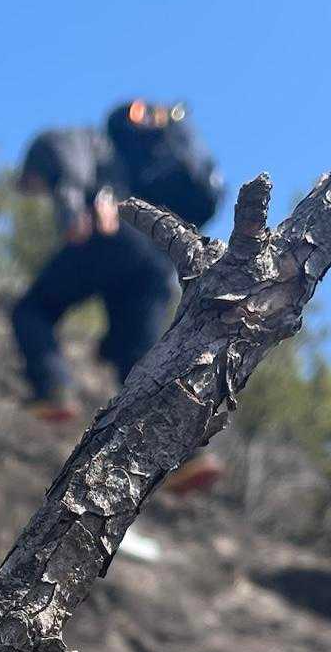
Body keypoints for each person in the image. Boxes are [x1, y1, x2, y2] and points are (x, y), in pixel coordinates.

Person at [12, 99, 224, 422]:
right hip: (155, 264)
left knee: (30, 310)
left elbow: (65, 158)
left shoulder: (59, 144)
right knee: (136, 361)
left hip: (110, 236)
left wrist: (72, 212)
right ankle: (172, 439)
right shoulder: (131, 164)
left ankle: (54, 388)